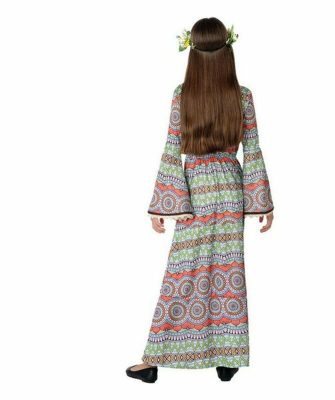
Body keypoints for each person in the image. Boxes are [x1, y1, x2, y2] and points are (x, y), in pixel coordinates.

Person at [126, 17, 274, 383]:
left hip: (196, 188)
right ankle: (228, 358)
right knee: (228, 272)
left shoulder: (183, 94)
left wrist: (165, 203)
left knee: (182, 272)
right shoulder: (242, 96)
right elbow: (252, 149)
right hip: (231, 188)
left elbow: (172, 147)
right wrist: (261, 202)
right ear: (228, 51)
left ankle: (153, 359)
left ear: (192, 53)